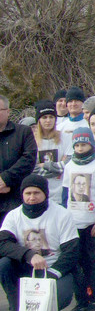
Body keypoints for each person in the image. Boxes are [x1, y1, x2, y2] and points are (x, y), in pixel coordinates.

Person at [0, 175, 78, 311]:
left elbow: (72, 251)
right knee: (4, 264)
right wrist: (28, 255)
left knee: (59, 297)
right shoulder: (13, 216)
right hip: (27, 267)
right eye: (27, 193)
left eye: (36, 193)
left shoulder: (62, 214)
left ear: (45, 194)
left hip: (54, 269)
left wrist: (53, 274)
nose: (31, 198)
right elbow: (3, 243)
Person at [61, 127, 95, 311]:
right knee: (77, 264)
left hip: (94, 224)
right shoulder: (69, 166)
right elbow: (65, 195)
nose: (81, 148)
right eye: (77, 145)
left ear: (91, 143)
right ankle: (81, 300)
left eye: (84, 144)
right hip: (74, 224)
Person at [0, 94, 38, 225]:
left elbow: (29, 159)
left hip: (15, 201)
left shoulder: (23, 132)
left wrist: (5, 179)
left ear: (8, 111)